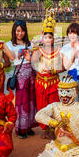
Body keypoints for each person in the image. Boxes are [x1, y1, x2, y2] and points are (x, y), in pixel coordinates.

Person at [31, 9, 63, 140]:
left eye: (50, 37)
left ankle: (53, 128)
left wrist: (54, 71)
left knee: (53, 105)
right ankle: (45, 128)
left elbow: (62, 67)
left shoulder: (58, 51)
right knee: (42, 106)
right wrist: (33, 48)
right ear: (42, 37)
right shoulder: (39, 51)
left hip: (53, 82)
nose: (47, 39)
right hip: (40, 82)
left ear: (54, 38)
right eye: (45, 37)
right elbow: (33, 62)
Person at [4, 20, 37, 139]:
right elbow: (12, 57)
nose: (20, 33)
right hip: (21, 74)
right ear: (14, 31)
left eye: (22, 31)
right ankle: (20, 128)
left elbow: (34, 60)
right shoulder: (8, 44)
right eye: (18, 30)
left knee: (31, 100)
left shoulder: (29, 44)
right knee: (21, 101)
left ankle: (28, 126)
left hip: (31, 73)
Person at [60, 22, 79, 141]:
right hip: (72, 76)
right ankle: (73, 131)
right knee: (72, 104)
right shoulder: (65, 48)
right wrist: (73, 52)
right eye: (70, 33)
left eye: (75, 33)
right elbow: (66, 66)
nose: (72, 36)